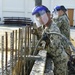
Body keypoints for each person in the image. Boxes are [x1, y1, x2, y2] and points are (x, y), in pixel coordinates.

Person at [32, 5, 68, 75]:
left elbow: (54, 49)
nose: (39, 19)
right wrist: (37, 34)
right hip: (54, 58)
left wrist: (45, 44)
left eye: (40, 16)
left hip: (59, 60)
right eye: (37, 17)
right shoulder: (46, 27)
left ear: (48, 15)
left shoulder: (53, 29)